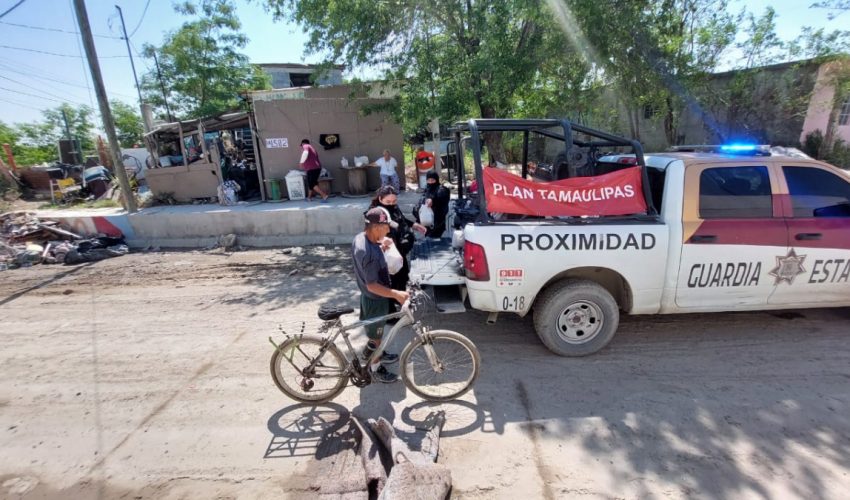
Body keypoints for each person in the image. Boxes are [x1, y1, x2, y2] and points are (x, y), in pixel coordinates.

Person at [352, 207, 410, 383]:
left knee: (377, 335)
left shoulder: (361, 238)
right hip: (374, 300)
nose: (388, 230)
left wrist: (381, 246)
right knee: (375, 338)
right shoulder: (368, 253)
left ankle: (379, 353)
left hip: (375, 299)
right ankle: (375, 368)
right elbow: (372, 286)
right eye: (386, 227)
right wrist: (396, 294)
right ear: (376, 227)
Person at [369, 185, 427, 292]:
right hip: (388, 252)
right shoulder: (376, 213)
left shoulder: (394, 207)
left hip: (400, 249)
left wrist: (415, 225)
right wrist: (383, 241)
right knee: (392, 278)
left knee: (403, 275)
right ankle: (393, 301)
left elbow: (401, 220)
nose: (391, 204)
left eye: (394, 201)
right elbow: (372, 232)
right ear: (380, 199)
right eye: (388, 202)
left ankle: (403, 297)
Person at [414, 171, 451, 238]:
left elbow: (442, 199)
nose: (430, 182)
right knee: (428, 238)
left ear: (436, 180)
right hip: (426, 221)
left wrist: (433, 201)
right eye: (428, 180)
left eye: (432, 180)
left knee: (435, 239)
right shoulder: (427, 189)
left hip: (438, 222)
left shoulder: (442, 189)